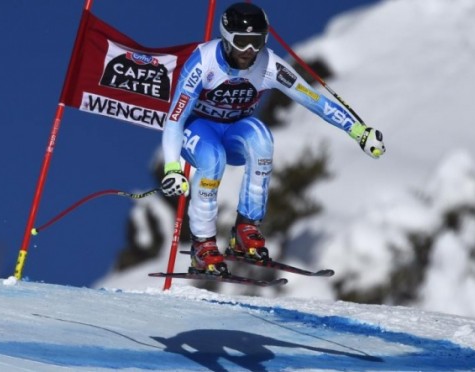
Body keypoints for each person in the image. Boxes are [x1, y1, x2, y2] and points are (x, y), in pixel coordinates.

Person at [160, 2, 386, 275]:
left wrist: (358, 131)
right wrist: (172, 167)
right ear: (227, 38)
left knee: (261, 138)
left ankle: (246, 229)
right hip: (197, 129)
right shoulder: (204, 61)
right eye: (242, 42)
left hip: (233, 130)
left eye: (256, 43)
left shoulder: (269, 65)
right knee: (212, 159)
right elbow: (175, 118)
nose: (249, 52)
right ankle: (203, 245)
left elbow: (313, 100)